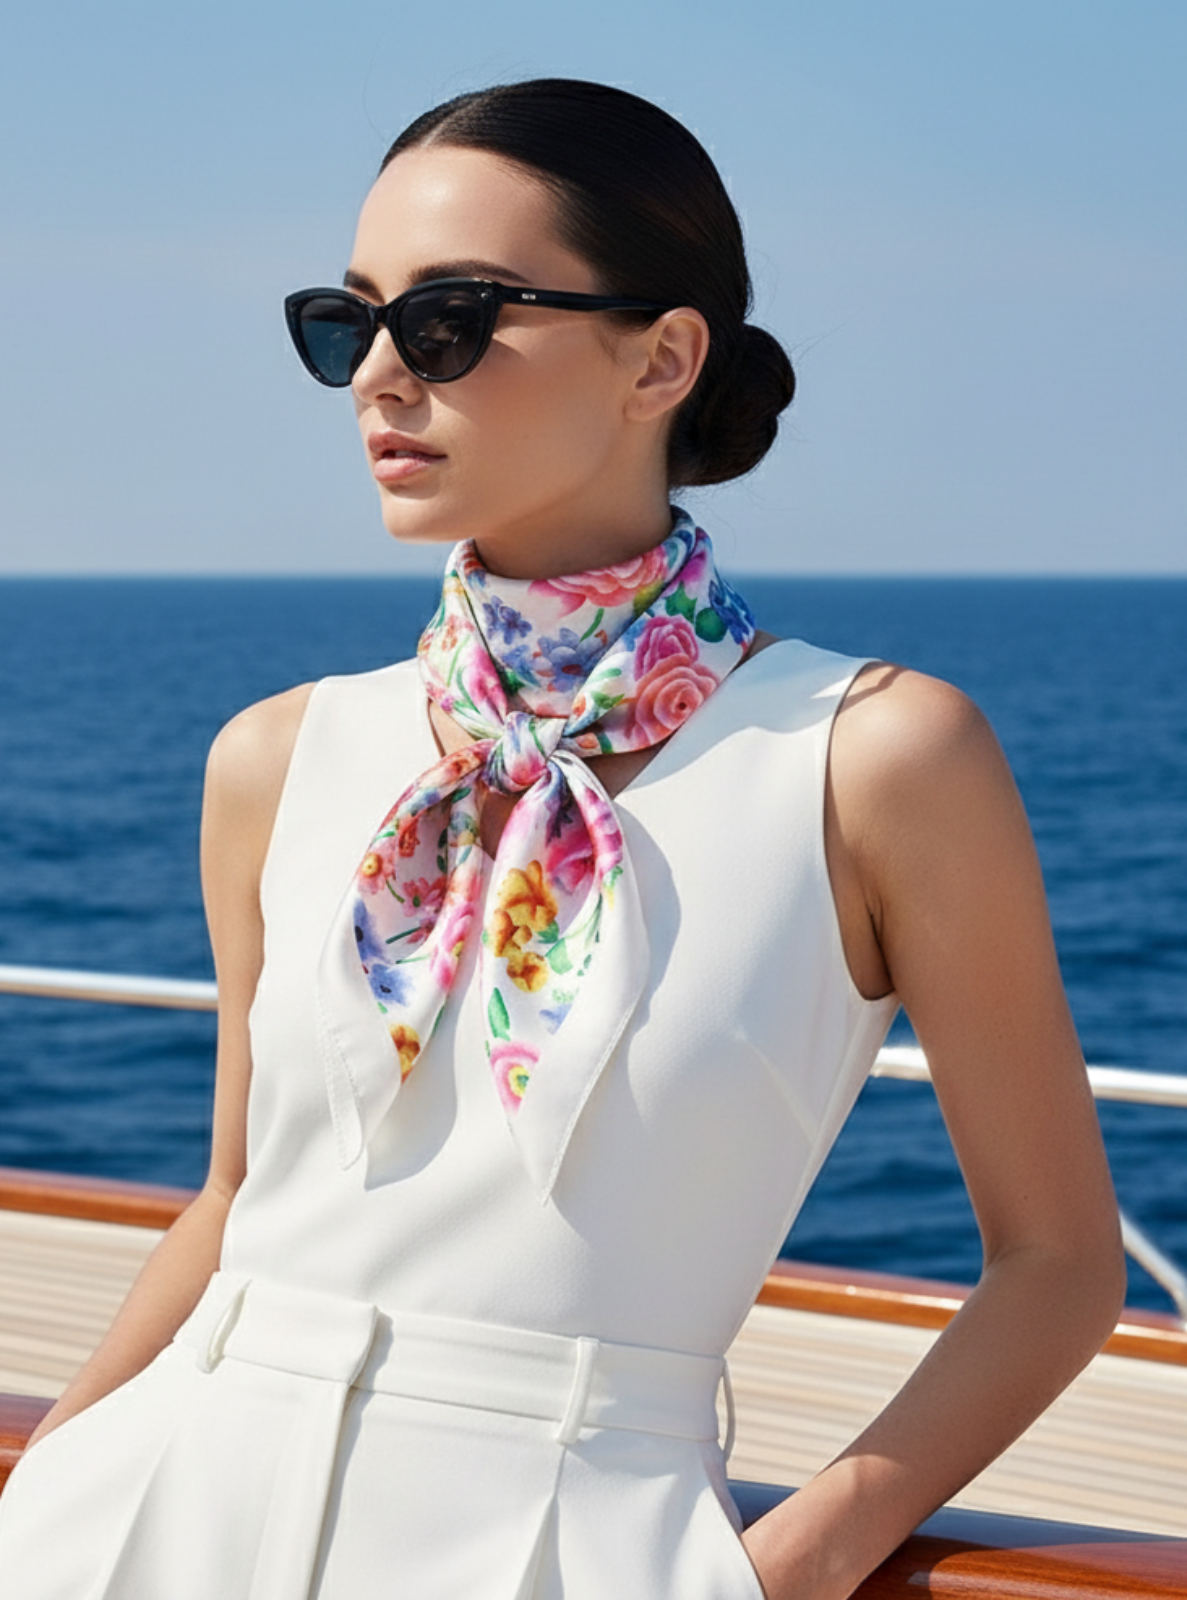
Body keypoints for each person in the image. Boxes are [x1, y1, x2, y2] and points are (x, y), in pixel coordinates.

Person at [0, 79, 1123, 1600]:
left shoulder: (868, 757)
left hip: (569, 1543)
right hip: (153, 1514)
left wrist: (785, 1565)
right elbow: (235, 1199)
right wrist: (48, 1480)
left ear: (662, 356)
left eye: (451, 318)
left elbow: (1055, 1267)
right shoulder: (281, 756)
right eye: (354, 320)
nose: (381, 376)